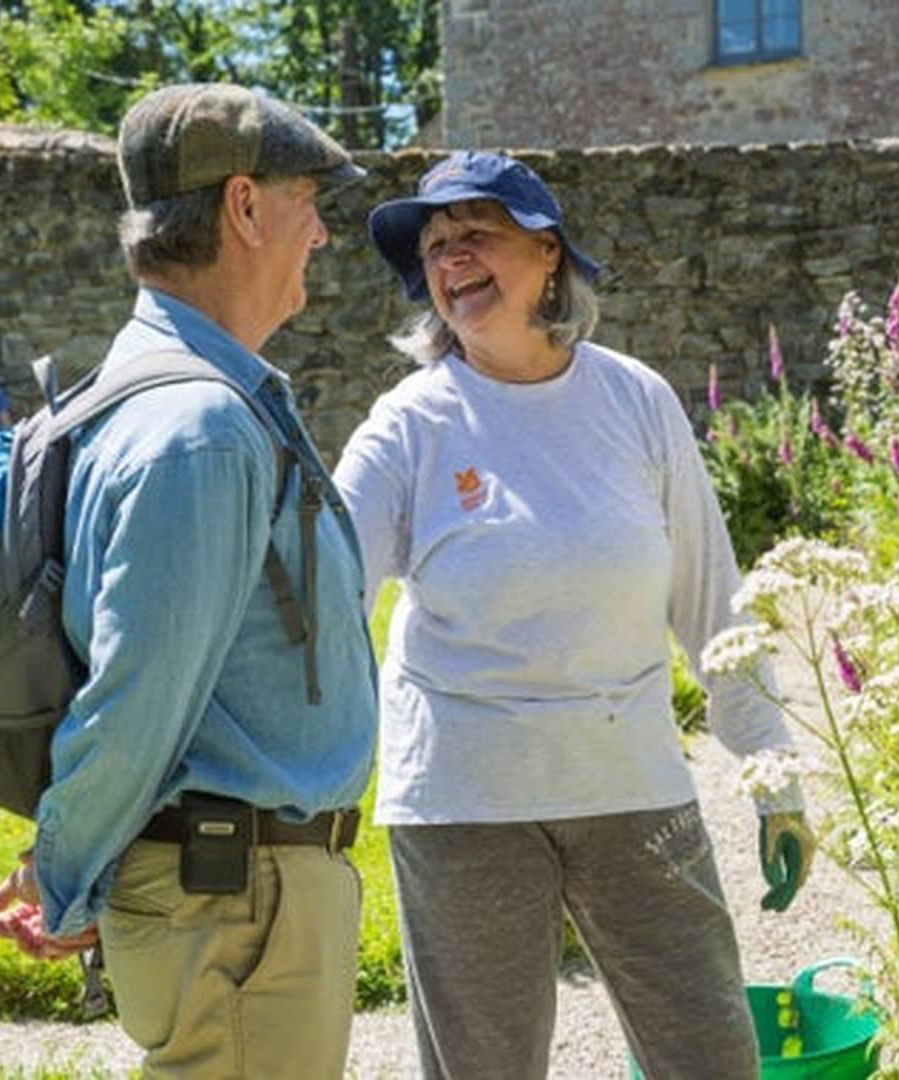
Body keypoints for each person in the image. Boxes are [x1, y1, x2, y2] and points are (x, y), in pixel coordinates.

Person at [333, 151, 818, 1079]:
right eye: (435, 245)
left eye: (476, 233)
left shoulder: (634, 400)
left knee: (712, 1056)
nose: (451, 258)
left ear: (547, 252)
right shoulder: (409, 427)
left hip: (630, 785)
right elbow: (319, 601)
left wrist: (774, 776)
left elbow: (717, 604)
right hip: (465, 802)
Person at [0, 83, 378, 1080]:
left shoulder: (157, 395)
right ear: (244, 207)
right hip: (240, 904)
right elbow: (139, 691)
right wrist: (64, 878)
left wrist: (71, 860)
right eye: (307, 202)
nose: (322, 235)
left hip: (232, 891)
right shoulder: (197, 426)